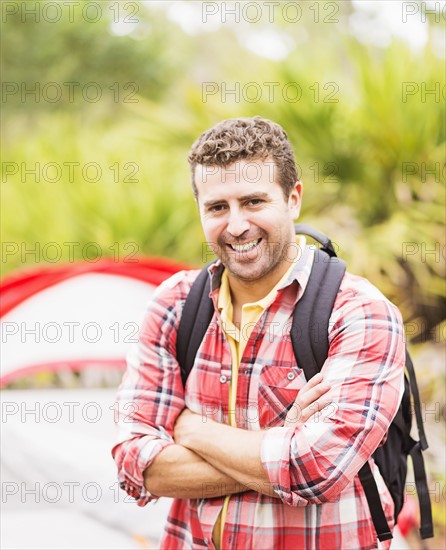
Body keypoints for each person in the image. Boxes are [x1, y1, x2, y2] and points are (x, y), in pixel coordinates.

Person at [112, 116, 405, 549]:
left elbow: (316, 470)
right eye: (217, 207)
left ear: (293, 199)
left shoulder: (359, 311)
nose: (235, 226)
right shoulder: (175, 304)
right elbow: (136, 466)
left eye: (253, 202)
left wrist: (188, 430)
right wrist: (282, 447)